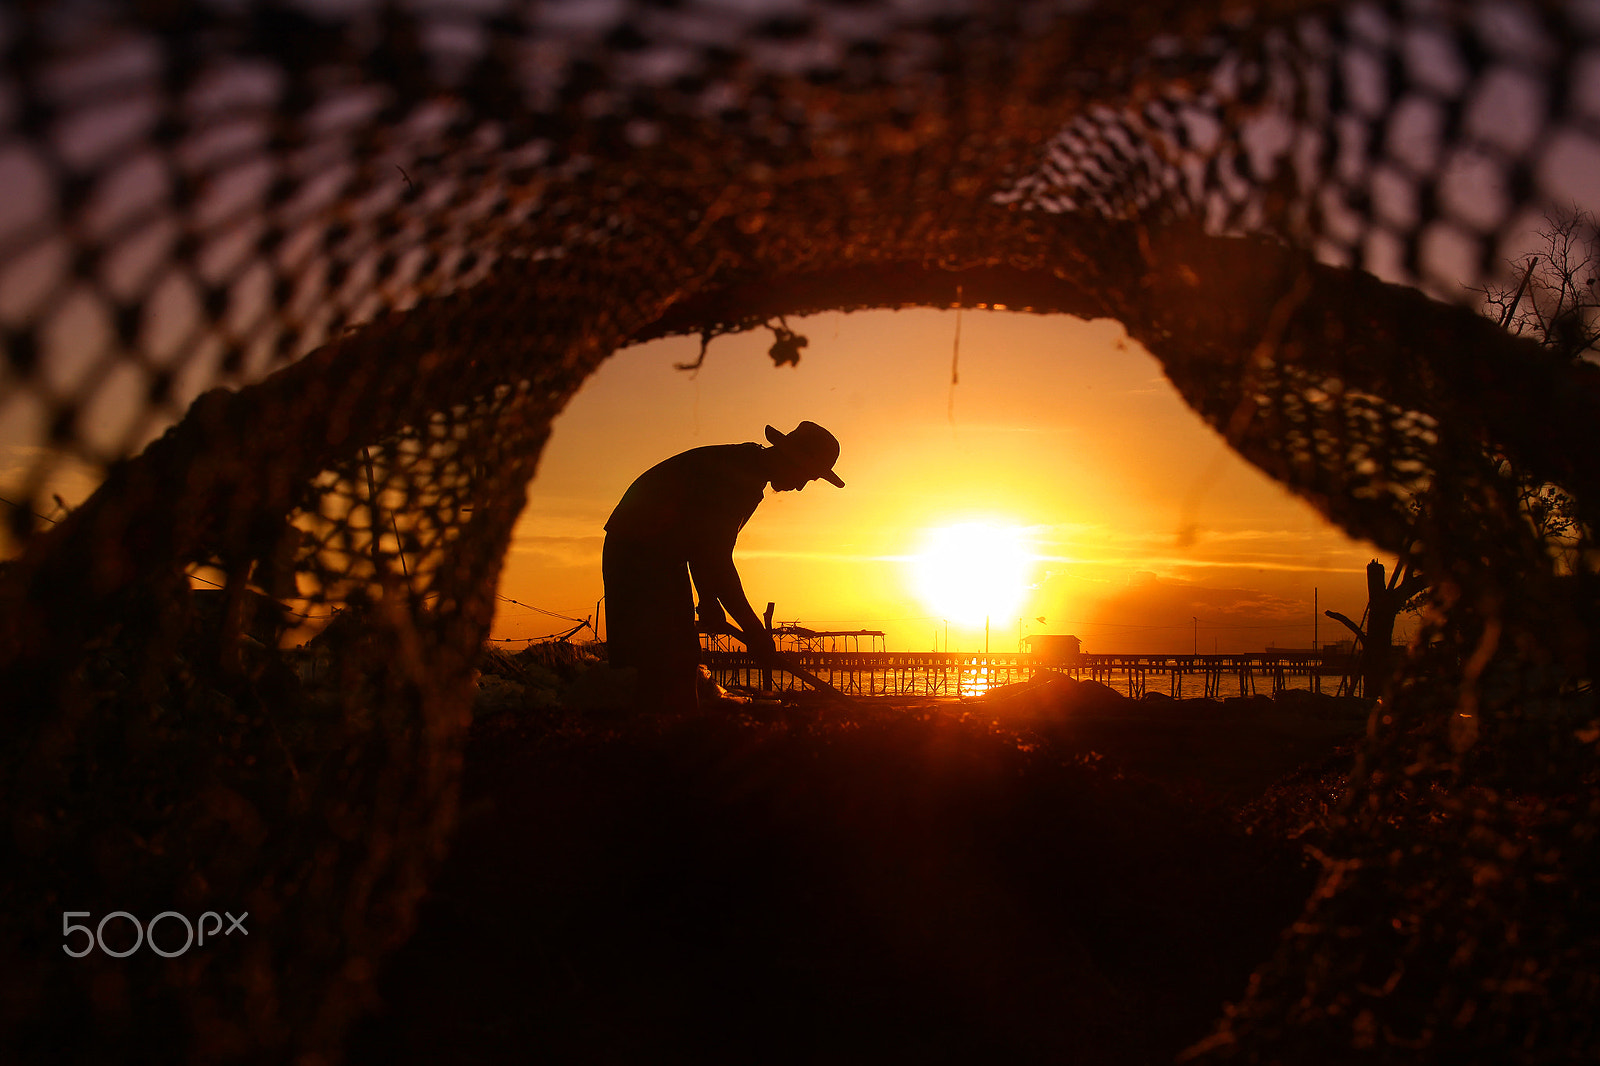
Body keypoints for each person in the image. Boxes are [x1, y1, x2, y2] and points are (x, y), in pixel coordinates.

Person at [602, 421, 845, 711]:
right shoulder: (738, 479)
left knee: (672, 661)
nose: (801, 486)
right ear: (792, 459)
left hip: (659, 555)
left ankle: (662, 734)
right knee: (669, 661)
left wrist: (707, 599)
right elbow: (714, 559)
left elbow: (702, 543)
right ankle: (666, 739)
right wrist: (755, 631)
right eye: (806, 476)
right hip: (640, 556)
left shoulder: (743, 468)